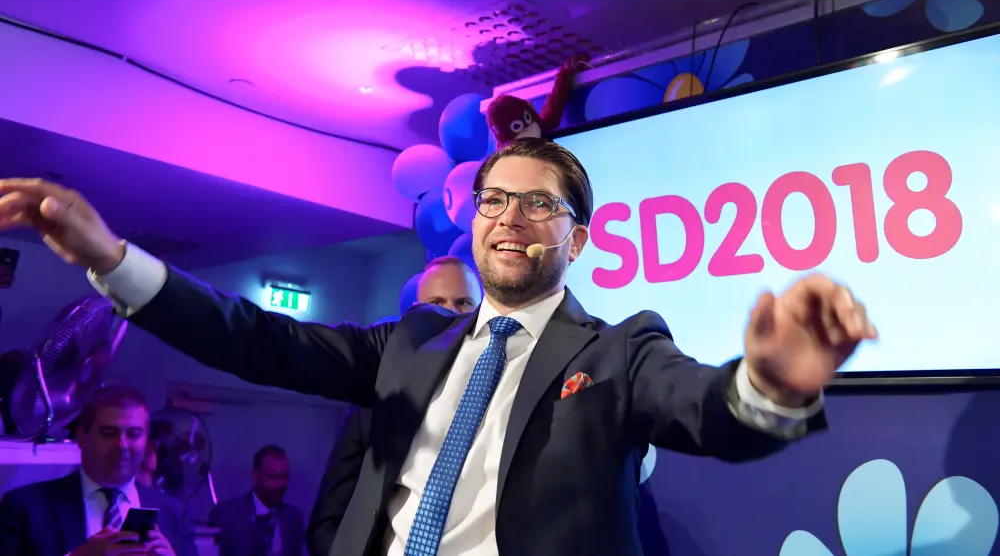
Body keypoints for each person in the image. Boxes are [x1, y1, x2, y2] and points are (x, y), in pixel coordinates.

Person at [0, 138, 876, 556]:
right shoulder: (411, 339)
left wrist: (770, 383)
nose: (510, 218)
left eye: (540, 205)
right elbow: (257, 340)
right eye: (495, 199)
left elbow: (706, 411)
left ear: (579, 240)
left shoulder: (620, 350)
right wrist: (114, 261)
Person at [307, 257, 482, 556]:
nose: (450, 313)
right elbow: (329, 519)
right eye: (436, 302)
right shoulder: (375, 402)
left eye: (463, 302)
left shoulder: (506, 391)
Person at [0, 385, 196, 556]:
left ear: (146, 442)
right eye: (109, 433)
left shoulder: (174, 514)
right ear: (82, 437)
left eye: (133, 434)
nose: (122, 445)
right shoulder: (25, 507)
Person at [210, 445, 304, 556]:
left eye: (285, 477)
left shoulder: (293, 518)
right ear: (255, 475)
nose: (281, 484)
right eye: (274, 477)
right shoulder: (227, 515)